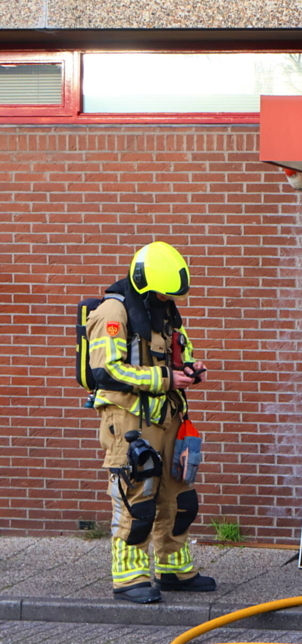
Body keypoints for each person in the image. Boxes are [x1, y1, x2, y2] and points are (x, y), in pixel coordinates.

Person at [86, 241, 215, 604]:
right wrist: (165, 379)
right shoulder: (113, 312)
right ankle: (130, 578)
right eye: (162, 292)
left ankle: (174, 568)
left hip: (167, 415)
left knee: (179, 495)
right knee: (137, 498)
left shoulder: (165, 310)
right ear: (145, 284)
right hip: (128, 418)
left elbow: (180, 350)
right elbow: (106, 371)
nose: (167, 298)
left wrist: (189, 368)